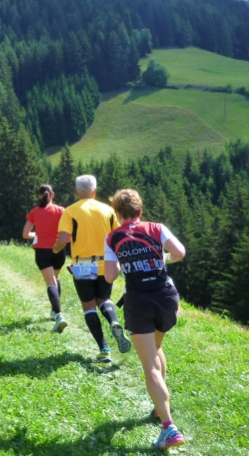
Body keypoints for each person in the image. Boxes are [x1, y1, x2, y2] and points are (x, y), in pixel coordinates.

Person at [104, 189, 186, 450]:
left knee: (149, 364)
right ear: (139, 211)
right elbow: (180, 252)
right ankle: (159, 409)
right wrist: (163, 259)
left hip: (138, 301)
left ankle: (169, 427)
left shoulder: (112, 237)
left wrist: (121, 263)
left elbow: (110, 277)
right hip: (166, 297)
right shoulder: (157, 228)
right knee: (156, 348)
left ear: (118, 214)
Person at [52, 175, 130, 363]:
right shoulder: (108, 210)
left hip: (83, 263)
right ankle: (113, 321)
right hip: (106, 262)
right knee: (104, 299)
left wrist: (55, 250)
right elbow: (119, 235)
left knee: (88, 306)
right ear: (95, 191)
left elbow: (62, 239)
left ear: (76, 191)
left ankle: (104, 348)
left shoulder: (70, 211)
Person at [23, 184, 67, 333]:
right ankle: (55, 310)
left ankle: (59, 315)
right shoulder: (61, 211)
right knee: (56, 278)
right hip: (58, 250)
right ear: (52, 195)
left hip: (42, 251)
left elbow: (25, 234)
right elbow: (68, 231)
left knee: (50, 282)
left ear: (39, 196)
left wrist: (38, 234)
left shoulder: (34, 212)